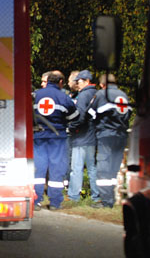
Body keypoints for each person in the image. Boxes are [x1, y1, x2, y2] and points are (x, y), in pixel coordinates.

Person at [33, 70, 78, 210]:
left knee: (38, 168)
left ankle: (35, 200)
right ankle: (55, 203)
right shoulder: (64, 97)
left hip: (38, 136)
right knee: (56, 168)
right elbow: (74, 116)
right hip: (58, 138)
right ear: (60, 82)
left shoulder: (35, 95)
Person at [88, 74, 132, 208]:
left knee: (103, 168)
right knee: (114, 168)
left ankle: (106, 201)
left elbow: (90, 113)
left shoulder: (102, 94)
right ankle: (113, 197)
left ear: (102, 84)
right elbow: (128, 114)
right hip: (122, 136)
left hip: (106, 135)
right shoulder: (124, 95)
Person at [67, 70, 100, 204]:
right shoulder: (96, 94)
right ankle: (96, 196)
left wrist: (71, 127)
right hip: (92, 136)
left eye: (79, 81)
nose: (77, 84)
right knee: (92, 168)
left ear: (86, 81)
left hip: (81, 136)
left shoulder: (83, 95)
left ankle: (73, 196)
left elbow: (80, 116)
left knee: (76, 168)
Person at [63, 70, 79, 189]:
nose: (68, 83)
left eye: (69, 80)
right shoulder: (71, 95)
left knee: (70, 159)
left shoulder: (80, 96)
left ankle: (68, 183)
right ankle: (68, 183)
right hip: (74, 132)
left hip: (75, 132)